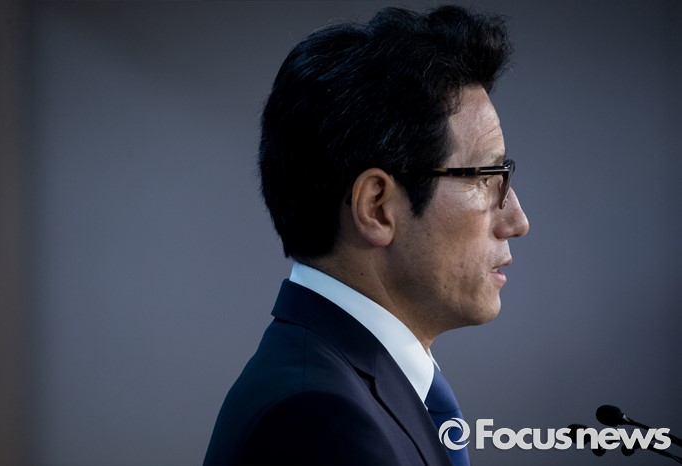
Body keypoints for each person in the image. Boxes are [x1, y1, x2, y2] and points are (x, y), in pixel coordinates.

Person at [204, 4, 529, 465]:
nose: (517, 220)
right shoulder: (318, 421)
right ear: (377, 207)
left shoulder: (341, 386)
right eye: (486, 178)